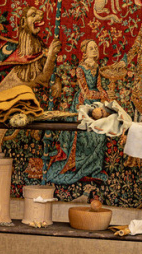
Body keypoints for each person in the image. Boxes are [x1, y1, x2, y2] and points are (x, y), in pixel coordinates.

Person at [44, 39, 108, 185]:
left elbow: (98, 87)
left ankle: (94, 168)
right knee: (87, 136)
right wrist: (101, 96)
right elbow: (86, 93)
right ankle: (79, 165)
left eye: (96, 48)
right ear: (85, 52)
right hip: (83, 104)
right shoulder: (80, 69)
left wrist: (105, 96)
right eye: (91, 48)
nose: (95, 50)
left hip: (96, 103)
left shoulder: (96, 67)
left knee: (102, 133)